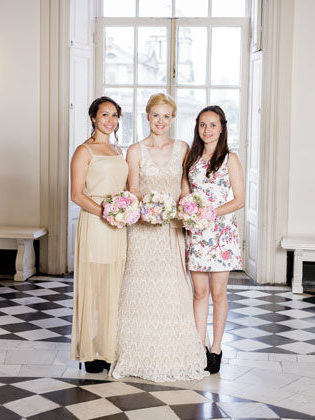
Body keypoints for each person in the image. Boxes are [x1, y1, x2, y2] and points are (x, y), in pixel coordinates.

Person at [110, 93, 208, 382]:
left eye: (167, 116)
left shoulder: (183, 148)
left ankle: (174, 352)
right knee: (140, 287)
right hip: (143, 230)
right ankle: (136, 352)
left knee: (172, 288)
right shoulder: (135, 150)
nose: (161, 121)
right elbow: (134, 189)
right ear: (147, 116)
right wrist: (150, 208)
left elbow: (186, 189)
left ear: (173, 118)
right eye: (156, 115)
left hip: (172, 230)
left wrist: (184, 211)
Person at [183, 105, 245, 374]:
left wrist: (210, 213)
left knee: (218, 293)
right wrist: (191, 212)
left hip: (221, 235)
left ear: (222, 128)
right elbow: (186, 196)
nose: (207, 130)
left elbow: (240, 200)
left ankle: (216, 348)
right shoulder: (191, 159)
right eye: (202, 125)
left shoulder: (230, 158)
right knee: (199, 293)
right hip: (197, 234)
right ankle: (199, 347)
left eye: (212, 125)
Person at [70, 97, 128, 373]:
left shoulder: (118, 150)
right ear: (93, 117)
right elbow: (77, 194)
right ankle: (88, 351)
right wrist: (106, 212)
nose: (110, 120)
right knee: (92, 287)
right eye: (105, 114)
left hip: (118, 227)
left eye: (114, 115)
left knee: (113, 287)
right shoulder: (84, 151)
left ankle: (107, 347)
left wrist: (125, 210)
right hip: (95, 223)